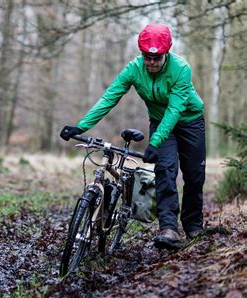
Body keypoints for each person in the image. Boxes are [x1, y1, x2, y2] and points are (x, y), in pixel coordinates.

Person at [60, 24, 205, 250]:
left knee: (194, 175)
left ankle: (193, 224)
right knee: (165, 170)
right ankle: (169, 228)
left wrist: (154, 142)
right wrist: (81, 126)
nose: (152, 63)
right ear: (142, 54)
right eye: (148, 57)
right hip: (160, 122)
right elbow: (110, 97)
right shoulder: (134, 69)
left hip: (189, 121)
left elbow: (175, 110)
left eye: (157, 57)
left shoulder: (181, 69)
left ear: (166, 53)